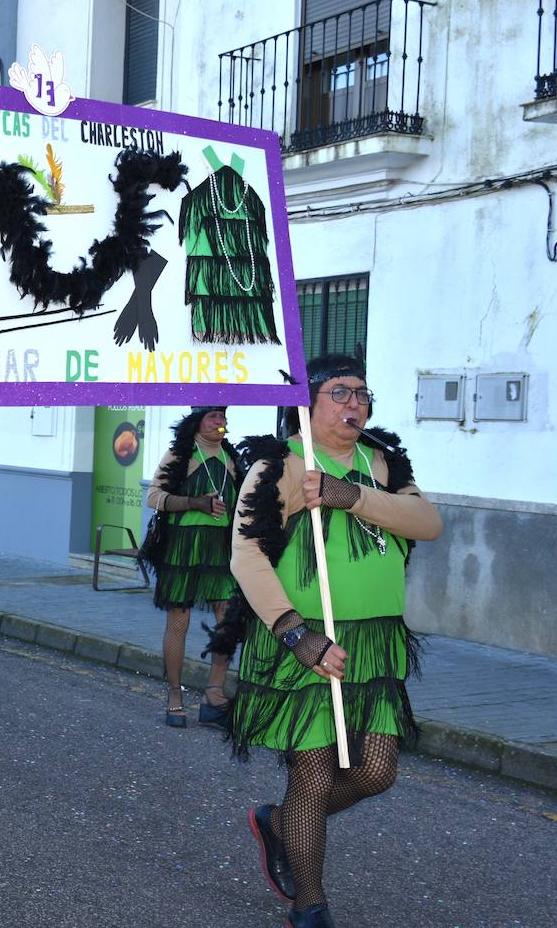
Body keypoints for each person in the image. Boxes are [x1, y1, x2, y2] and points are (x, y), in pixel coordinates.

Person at [226, 354, 442, 928]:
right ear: (309, 403)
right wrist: (297, 634)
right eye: (341, 393)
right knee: (313, 773)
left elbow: (428, 523)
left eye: (363, 394)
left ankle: (282, 825)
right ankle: (310, 903)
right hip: (306, 643)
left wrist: (353, 496)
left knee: (376, 772)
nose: (356, 405)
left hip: (374, 646)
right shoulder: (282, 468)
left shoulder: (381, 462)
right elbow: (246, 556)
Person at [140, 406, 241, 728]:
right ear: (197, 421)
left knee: (228, 620)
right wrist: (194, 502)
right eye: (214, 416)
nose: (221, 422)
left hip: (220, 550)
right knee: (178, 621)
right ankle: (174, 694)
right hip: (182, 548)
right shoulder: (180, 454)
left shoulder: (230, 455)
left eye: (223, 417)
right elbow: (154, 497)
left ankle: (214, 692)